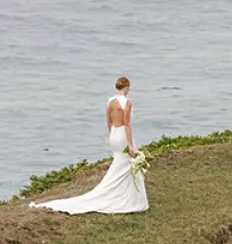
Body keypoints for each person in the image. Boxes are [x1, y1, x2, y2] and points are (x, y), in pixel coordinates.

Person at [31, 77, 149, 214]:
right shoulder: (127, 103)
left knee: (119, 163)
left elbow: (109, 122)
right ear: (126, 87)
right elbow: (127, 124)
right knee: (126, 164)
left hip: (114, 135)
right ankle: (125, 196)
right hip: (122, 134)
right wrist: (130, 144)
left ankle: (122, 192)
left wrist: (112, 136)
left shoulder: (110, 102)